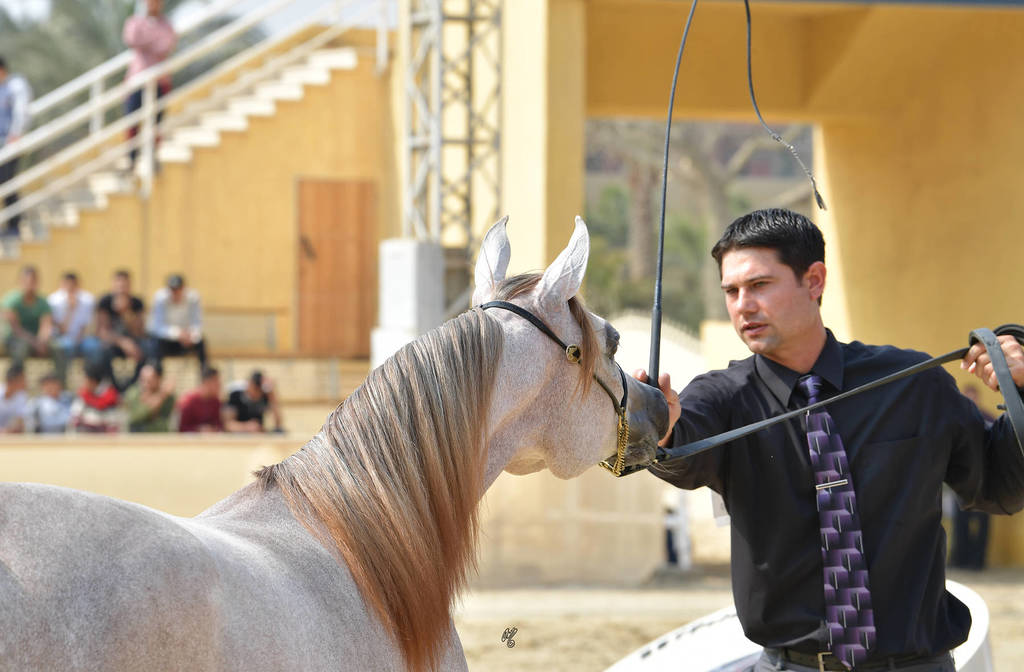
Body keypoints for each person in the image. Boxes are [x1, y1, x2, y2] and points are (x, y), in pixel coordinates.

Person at [637, 208, 1024, 672]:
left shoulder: (911, 383)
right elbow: (682, 450)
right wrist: (655, 427)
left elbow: (1002, 485)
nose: (742, 305)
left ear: (814, 280)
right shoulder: (721, 399)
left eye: (759, 285)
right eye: (731, 291)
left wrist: (1022, 391)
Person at [122, 0, 177, 171]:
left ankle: (153, 157)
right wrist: (153, 39)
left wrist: (147, 40)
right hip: (137, 80)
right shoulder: (135, 22)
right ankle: (131, 161)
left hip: (160, 81)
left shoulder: (166, 25)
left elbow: (166, 44)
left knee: (156, 122)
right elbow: (132, 38)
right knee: (133, 121)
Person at [949, 384, 996, 571]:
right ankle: (961, 559)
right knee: (960, 521)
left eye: (973, 396)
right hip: (960, 479)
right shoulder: (955, 420)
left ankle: (978, 561)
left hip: (985, 479)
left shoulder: (988, 418)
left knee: (983, 522)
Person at [2, 265, 66, 383]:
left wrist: (42, 341)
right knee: (21, 348)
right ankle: (16, 384)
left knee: (59, 348)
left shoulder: (42, 302)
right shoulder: (11, 301)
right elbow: (16, 329)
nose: (30, 284)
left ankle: (60, 386)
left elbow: (46, 325)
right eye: (27, 281)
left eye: (33, 281)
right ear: (20, 281)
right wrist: (35, 342)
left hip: (36, 341)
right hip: (14, 340)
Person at [95, 269, 147, 390]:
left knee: (148, 349)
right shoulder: (105, 302)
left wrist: (126, 313)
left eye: (125, 285)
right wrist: (122, 342)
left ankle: (134, 386)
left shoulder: (137, 303)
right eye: (119, 285)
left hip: (133, 343)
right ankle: (113, 387)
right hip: (113, 343)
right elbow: (102, 332)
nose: (121, 289)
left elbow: (139, 332)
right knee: (101, 352)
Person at [147, 273, 207, 372]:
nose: (175, 292)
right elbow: (157, 327)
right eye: (172, 289)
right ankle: (157, 374)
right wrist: (178, 334)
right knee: (155, 345)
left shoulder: (193, 298)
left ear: (183, 288)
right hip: (166, 340)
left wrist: (191, 336)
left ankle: (205, 376)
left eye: (177, 289)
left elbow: (197, 323)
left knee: (201, 344)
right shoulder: (160, 298)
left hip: (187, 340)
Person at [0, 55, 32, 236]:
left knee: (7, 182)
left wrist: (15, 134)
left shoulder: (15, 85)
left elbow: (21, 111)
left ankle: (14, 225)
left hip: (8, 143)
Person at [47, 271, 101, 364]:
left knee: (95, 346)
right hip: (62, 338)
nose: (70, 288)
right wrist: (70, 310)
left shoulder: (87, 300)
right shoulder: (53, 301)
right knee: (66, 346)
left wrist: (80, 338)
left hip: (83, 338)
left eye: (73, 285)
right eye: (67, 285)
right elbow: (61, 330)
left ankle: (92, 375)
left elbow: (89, 326)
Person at [70, 359, 121, 433]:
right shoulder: (83, 394)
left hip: (107, 437)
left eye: (85, 379)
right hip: (86, 436)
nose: (83, 382)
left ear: (92, 380)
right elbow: (74, 417)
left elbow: (115, 421)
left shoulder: (111, 395)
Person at [123, 360, 176, 432]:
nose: (145, 384)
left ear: (159, 379)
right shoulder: (133, 393)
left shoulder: (169, 397)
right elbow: (136, 418)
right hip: (136, 438)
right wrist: (160, 396)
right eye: (142, 380)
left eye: (149, 381)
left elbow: (163, 423)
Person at [177, 365, 223, 433]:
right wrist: (198, 430)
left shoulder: (216, 402)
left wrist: (212, 429)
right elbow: (181, 428)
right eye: (216, 381)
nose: (219, 385)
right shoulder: (189, 400)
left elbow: (218, 425)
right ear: (207, 382)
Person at [0, 362, 29, 433]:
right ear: (14, 380)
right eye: (23, 379)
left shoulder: (22, 396)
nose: (26, 382)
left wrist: (7, 431)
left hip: (10, 437)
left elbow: (20, 421)